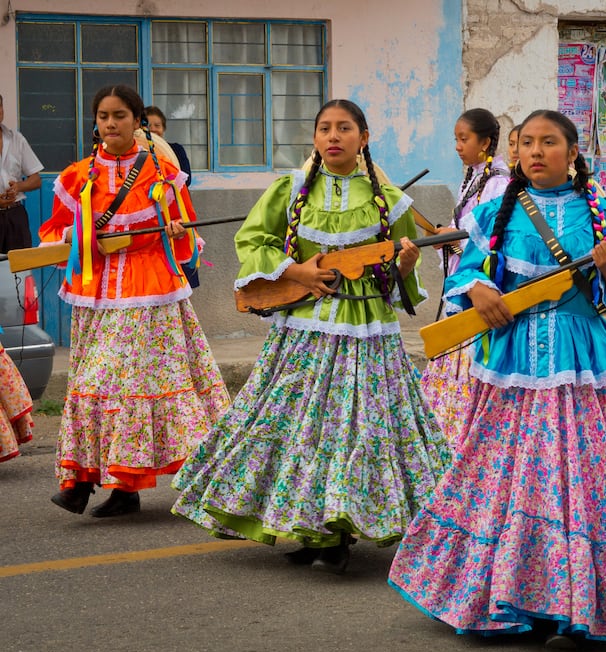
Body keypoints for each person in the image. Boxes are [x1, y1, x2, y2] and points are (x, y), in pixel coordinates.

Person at [388, 110, 606, 645]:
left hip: (586, 360)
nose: (536, 151)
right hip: (511, 362)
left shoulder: (605, 213)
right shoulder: (493, 213)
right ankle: (511, 596)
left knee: (593, 473)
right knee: (505, 474)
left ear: (573, 152)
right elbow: (465, 274)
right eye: (528, 143)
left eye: (549, 142)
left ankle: (583, 604)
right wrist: (478, 290)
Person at [172, 99, 450, 574]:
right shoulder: (291, 189)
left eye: (344, 128)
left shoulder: (390, 201)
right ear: (315, 138)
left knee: (354, 427)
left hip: (366, 332)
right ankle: (306, 526)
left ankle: (336, 534)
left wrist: (405, 265)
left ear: (364, 138)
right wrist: (298, 271)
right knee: (297, 425)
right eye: (325, 128)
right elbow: (254, 242)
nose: (333, 136)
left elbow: (399, 279)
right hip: (302, 328)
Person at [41, 84, 228, 518]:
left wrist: (178, 232)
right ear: (95, 121)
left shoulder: (162, 172)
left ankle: (128, 484)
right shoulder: (77, 176)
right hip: (96, 297)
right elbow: (52, 234)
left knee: (126, 387)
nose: (111, 124)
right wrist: (78, 235)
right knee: (94, 386)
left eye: (120, 115)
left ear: (138, 121)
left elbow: (188, 239)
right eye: (104, 116)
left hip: (149, 294)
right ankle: (92, 482)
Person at [419, 108, 510, 441]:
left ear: (484, 142)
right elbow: (464, 228)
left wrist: (455, 242)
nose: (458, 146)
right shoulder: (474, 177)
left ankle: (466, 433)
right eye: (456, 139)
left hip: (479, 287)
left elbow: (493, 240)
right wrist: (445, 238)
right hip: (462, 279)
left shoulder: (499, 183)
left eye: (464, 139)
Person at [144, 105, 200, 289]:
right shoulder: (136, 153)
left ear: (164, 128)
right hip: (149, 217)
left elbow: (186, 178)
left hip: (175, 213)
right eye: (148, 125)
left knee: (180, 264)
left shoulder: (175, 150)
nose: (153, 129)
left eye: (157, 125)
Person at [0, 94, 44, 253]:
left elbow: (36, 180)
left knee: (21, 265)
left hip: (15, 216)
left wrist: (18, 186)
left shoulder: (16, 139)